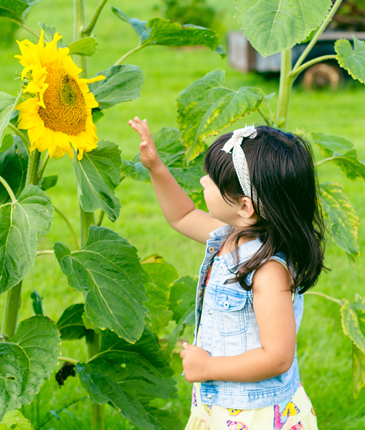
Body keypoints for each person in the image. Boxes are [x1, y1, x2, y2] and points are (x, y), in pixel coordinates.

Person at [128, 117, 326, 430]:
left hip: (255, 415)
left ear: (245, 207)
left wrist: (208, 366)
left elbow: (277, 357)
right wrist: (156, 168)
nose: (203, 182)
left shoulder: (269, 271)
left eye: (212, 180)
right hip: (226, 406)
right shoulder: (233, 236)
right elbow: (183, 216)